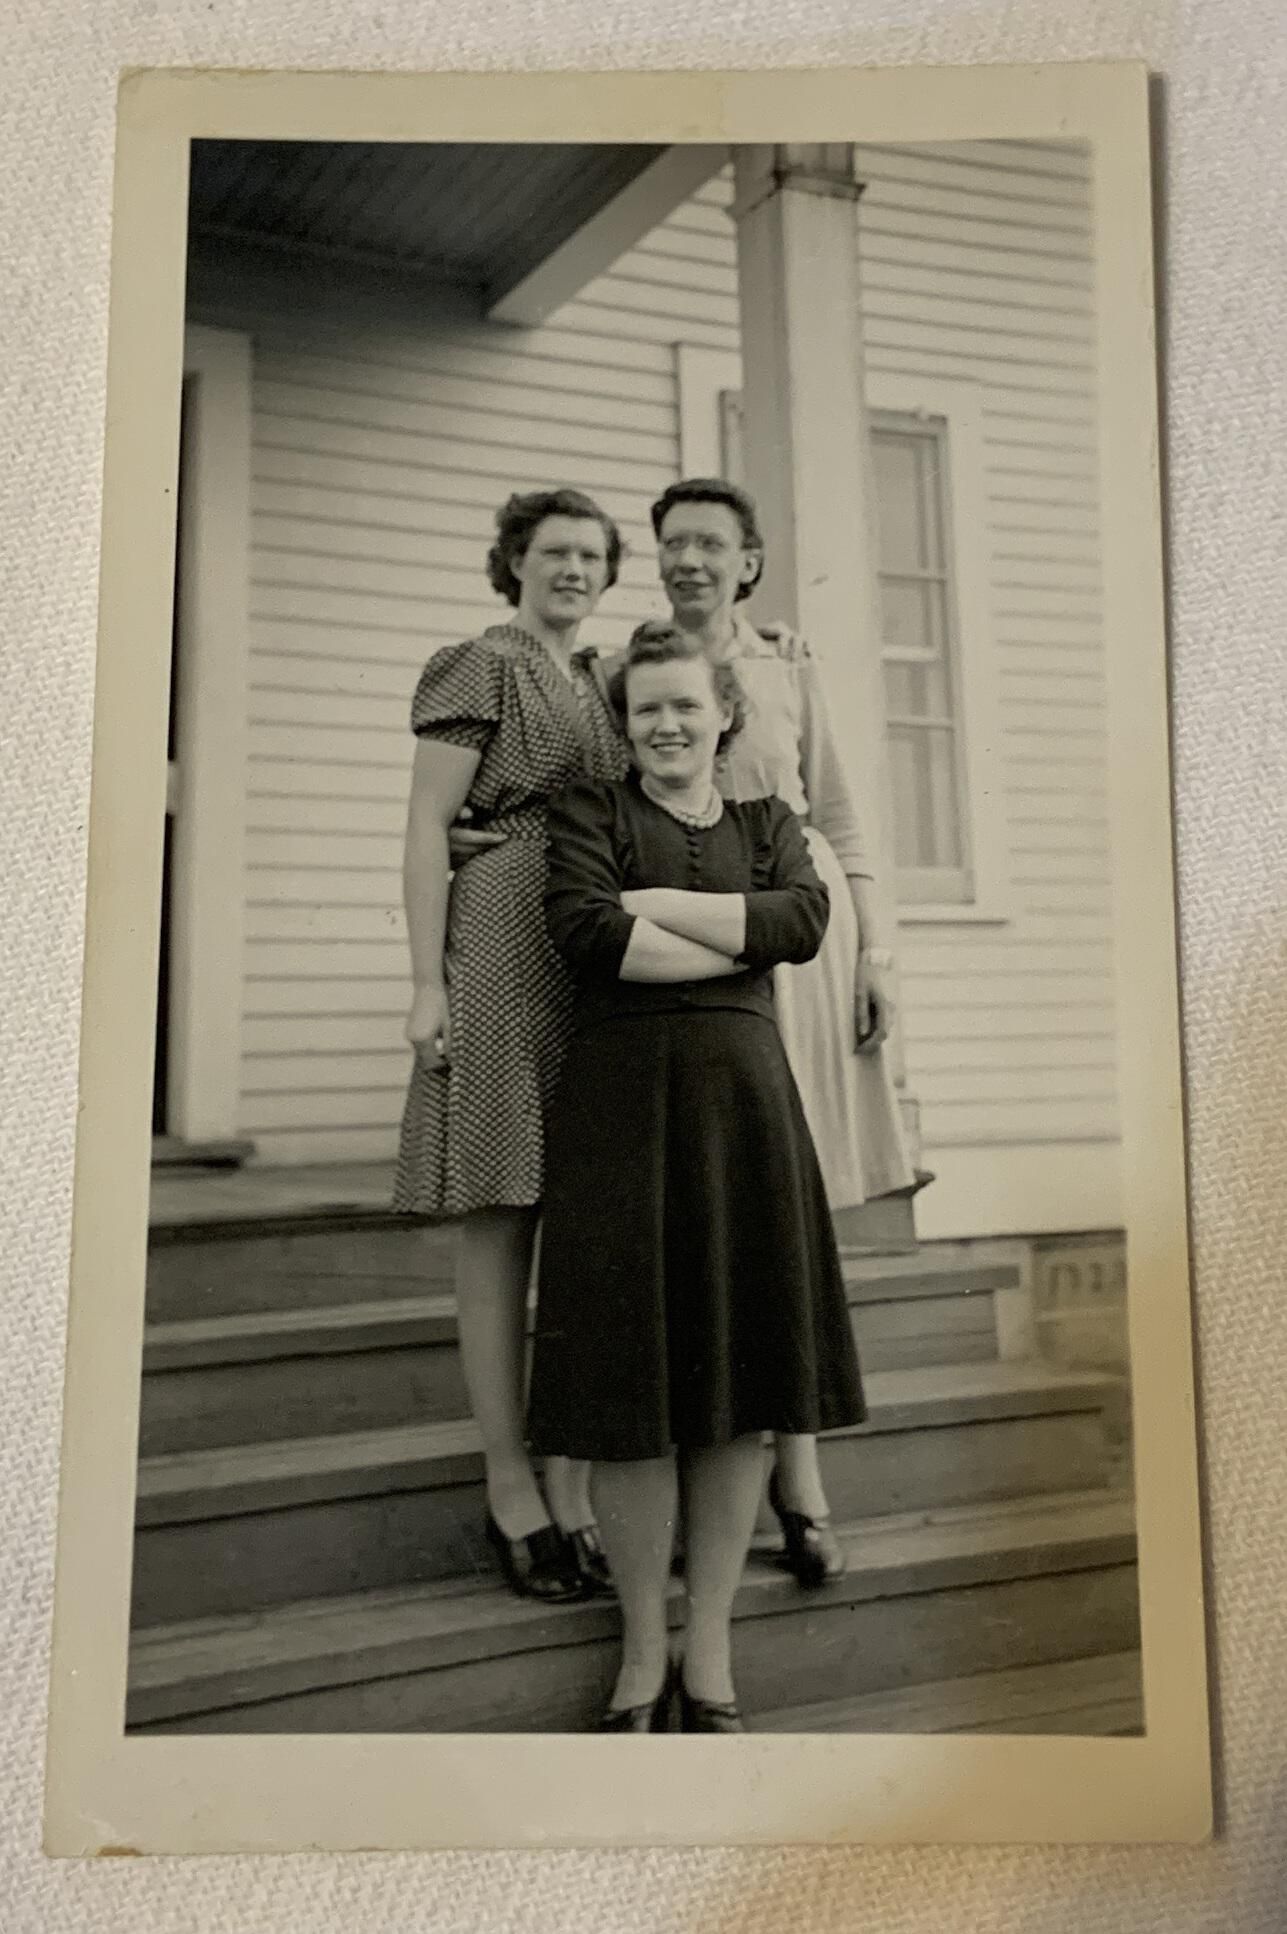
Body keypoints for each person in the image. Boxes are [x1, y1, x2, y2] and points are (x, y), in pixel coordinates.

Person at [526, 623, 867, 1731]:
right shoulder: (590, 814)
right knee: (630, 1398)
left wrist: (654, 906)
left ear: (726, 713)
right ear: (624, 725)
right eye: (645, 709)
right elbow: (586, 932)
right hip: (620, 1124)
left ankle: (709, 1645)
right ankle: (641, 1649)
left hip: (743, 1123)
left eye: (685, 704)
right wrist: (739, 937)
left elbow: (802, 922)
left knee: (737, 1398)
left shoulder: (769, 823)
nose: (666, 724)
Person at [648, 477, 916, 1587]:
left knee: (787, 1210)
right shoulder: (638, 668)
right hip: (689, 949)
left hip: (802, 944)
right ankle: (702, 1476)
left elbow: (841, 818)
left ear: (748, 562)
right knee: (712, 1211)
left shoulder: (790, 667)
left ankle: (799, 1480)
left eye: (711, 543)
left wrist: (877, 954)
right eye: (674, 542)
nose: (691, 560)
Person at [393, 486, 630, 1604]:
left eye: (591, 555)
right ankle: (509, 1485)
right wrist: (424, 981)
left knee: (583, 1215)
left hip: (591, 945)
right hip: (498, 945)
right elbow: (424, 827)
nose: (573, 569)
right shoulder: (480, 664)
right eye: (553, 552)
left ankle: (570, 1476)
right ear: (515, 562)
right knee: (501, 1211)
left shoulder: (603, 682)